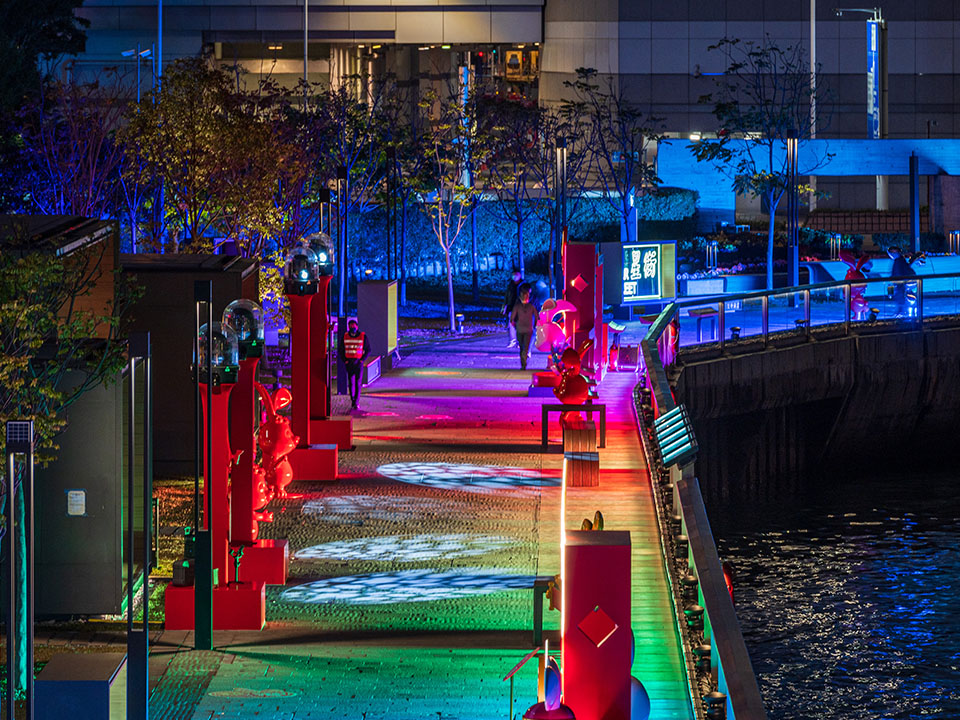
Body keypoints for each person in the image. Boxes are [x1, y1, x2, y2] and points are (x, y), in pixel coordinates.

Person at [340, 318, 370, 409]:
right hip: (349, 362)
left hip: (358, 362)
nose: (352, 327)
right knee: (351, 383)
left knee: (358, 383)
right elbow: (341, 350)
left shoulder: (362, 336)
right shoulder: (345, 336)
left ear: (357, 326)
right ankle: (353, 400)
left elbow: (368, 349)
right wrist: (345, 360)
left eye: (354, 325)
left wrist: (362, 360)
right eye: (350, 326)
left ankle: (356, 401)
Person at [887, 246, 923, 317]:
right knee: (902, 295)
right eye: (893, 252)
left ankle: (902, 311)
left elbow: (898, 272)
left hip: (904, 282)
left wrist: (894, 280)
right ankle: (904, 311)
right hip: (907, 282)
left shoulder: (899, 261)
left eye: (895, 251)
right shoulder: (900, 260)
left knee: (900, 295)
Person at [510, 285, 537, 370]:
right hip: (529, 329)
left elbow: (512, 319)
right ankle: (524, 360)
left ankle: (523, 361)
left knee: (522, 346)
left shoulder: (517, 306)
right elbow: (537, 316)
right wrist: (534, 325)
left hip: (520, 328)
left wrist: (515, 325)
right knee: (526, 345)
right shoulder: (532, 306)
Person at [503, 269, 524, 347]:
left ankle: (520, 342)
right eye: (513, 275)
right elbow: (507, 296)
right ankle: (513, 341)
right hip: (511, 307)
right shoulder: (510, 285)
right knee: (511, 325)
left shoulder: (523, 285)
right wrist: (505, 306)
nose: (514, 277)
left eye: (516, 275)